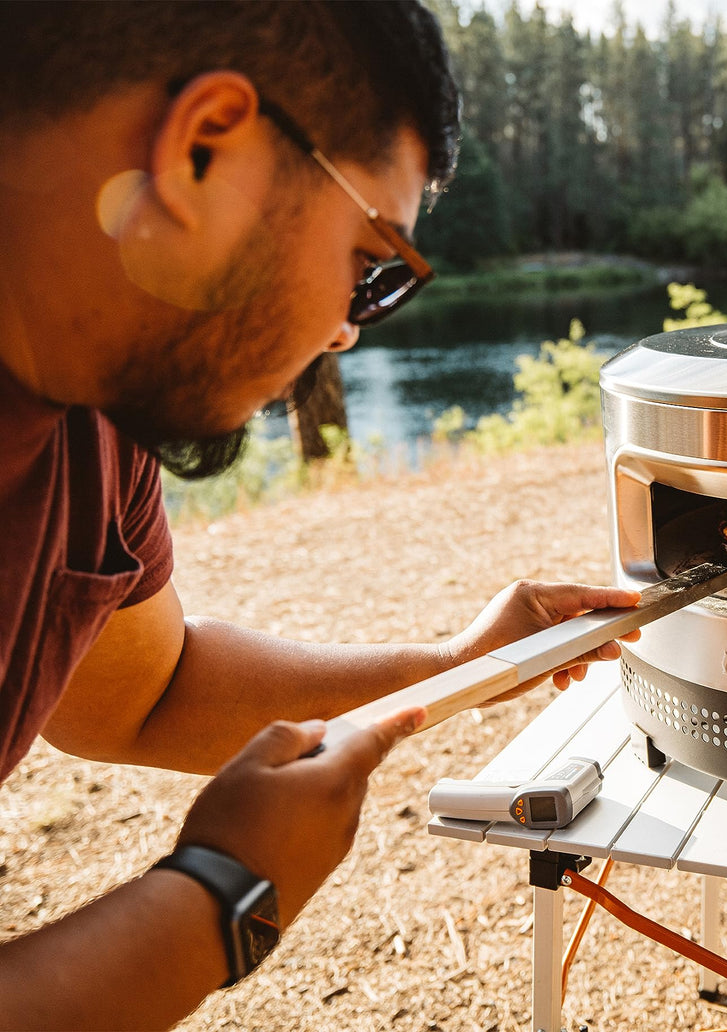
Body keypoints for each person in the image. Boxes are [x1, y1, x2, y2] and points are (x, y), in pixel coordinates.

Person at [0, 3, 639, 1027]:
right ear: (203, 150)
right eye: (370, 260)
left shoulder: (96, 425)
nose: (345, 331)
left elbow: (145, 697)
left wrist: (456, 665)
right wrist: (217, 897)